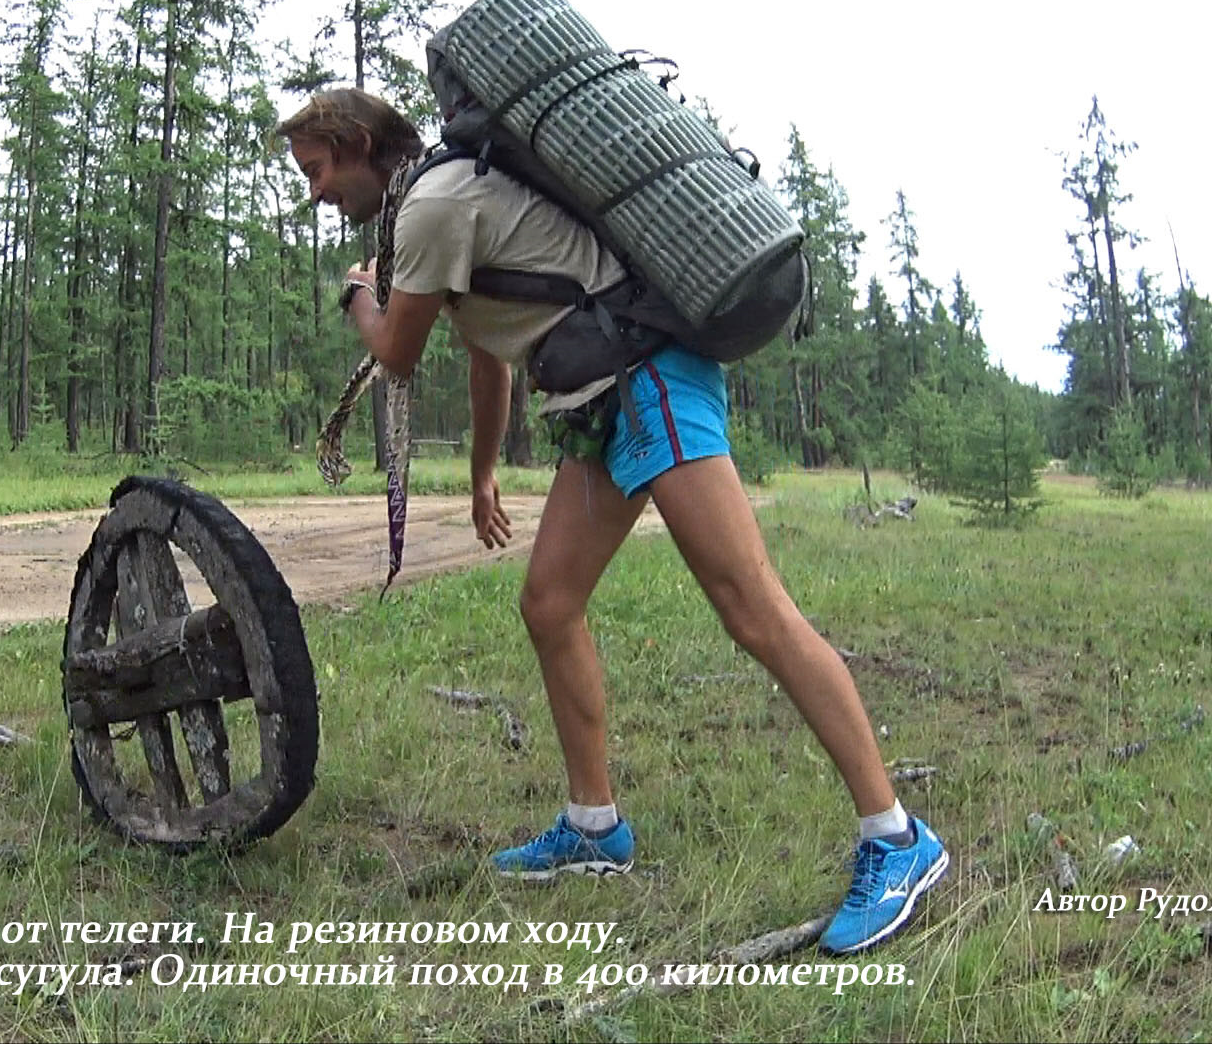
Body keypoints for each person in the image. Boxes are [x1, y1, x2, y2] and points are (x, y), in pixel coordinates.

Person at [277, 88, 948, 955]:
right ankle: (594, 827)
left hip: (650, 378)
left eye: (319, 171)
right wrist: (483, 474)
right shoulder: (438, 203)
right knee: (549, 603)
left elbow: (397, 350)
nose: (316, 192)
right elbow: (488, 349)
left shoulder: (434, 205)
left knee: (753, 607)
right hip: (604, 400)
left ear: (361, 143)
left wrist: (361, 297)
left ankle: (896, 838)